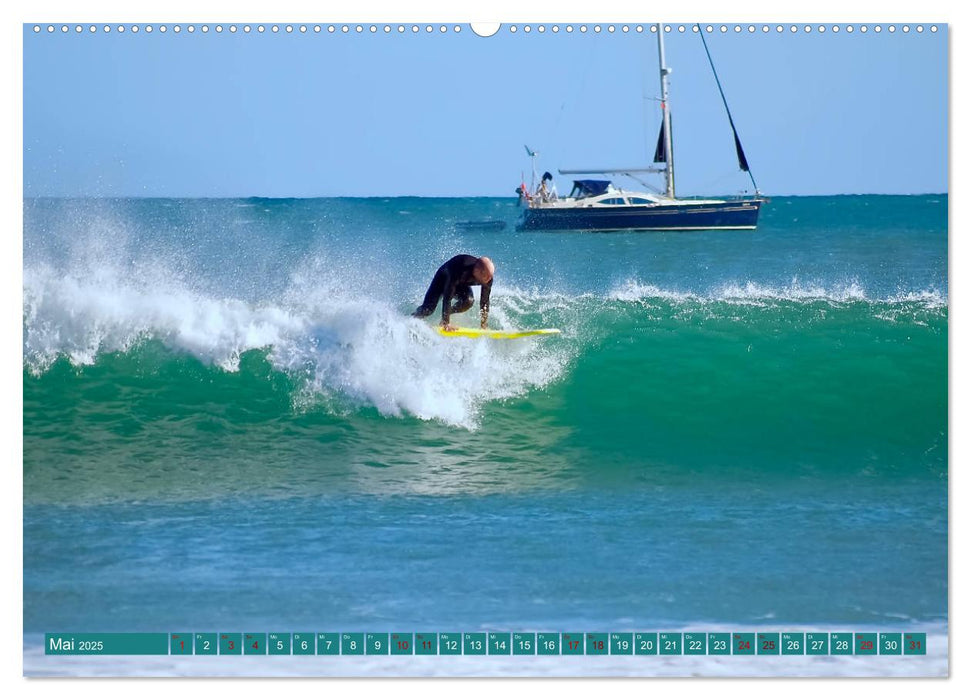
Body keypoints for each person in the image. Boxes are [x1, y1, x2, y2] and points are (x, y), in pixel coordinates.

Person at [413, 254, 495, 331]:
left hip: (460, 284)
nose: (488, 280)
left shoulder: (487, 277)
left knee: (468, 301)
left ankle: (445, 316)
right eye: (485, 276)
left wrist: (483, 324)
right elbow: (447, 297)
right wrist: (446, 323)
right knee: (428, 309)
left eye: (490, 276)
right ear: (477, 270)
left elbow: (484, 301)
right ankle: (412, 319)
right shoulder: (461, 269)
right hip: (443, 278)